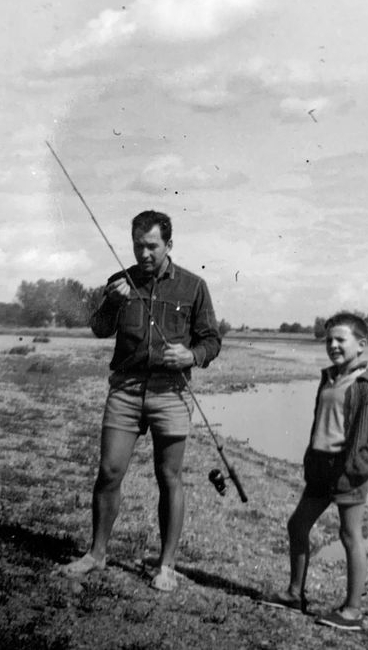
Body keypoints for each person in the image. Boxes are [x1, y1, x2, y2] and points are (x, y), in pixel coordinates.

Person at [62, 209, 221, 592]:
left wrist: (191, 356)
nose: (144, 254)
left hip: (172, 393)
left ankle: (166, 566)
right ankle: (96, 554)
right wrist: (113, 304)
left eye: (152, 246)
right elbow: (100, 329)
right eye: (138, 246)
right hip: (126, 391)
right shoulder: (120, 281)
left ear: (169, 244)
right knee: (109, 472)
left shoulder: (194, 286)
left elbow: (211, 340)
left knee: (169, 477)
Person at [262, 312, 368, 631]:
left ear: (361, 345)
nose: (333, 345)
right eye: (328, 340)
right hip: (320, 469)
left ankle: (352, 611)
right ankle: (295, 595)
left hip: (348, 473)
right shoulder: (329, 377)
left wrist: (356, 468)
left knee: (350, 536)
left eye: (340, 340)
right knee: (297, 525)